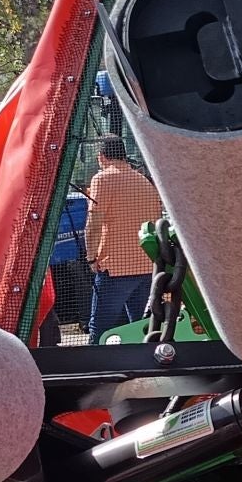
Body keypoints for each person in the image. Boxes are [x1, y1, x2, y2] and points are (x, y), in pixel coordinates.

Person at [83, 136, 165, 344]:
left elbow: (93, 225)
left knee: (100, 328)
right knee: (141, 327)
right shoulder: (144, 181)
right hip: (147, 266)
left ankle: (96, 370)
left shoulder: (102, 179)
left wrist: (91, 258)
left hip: (115, 267)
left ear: (102, 157)